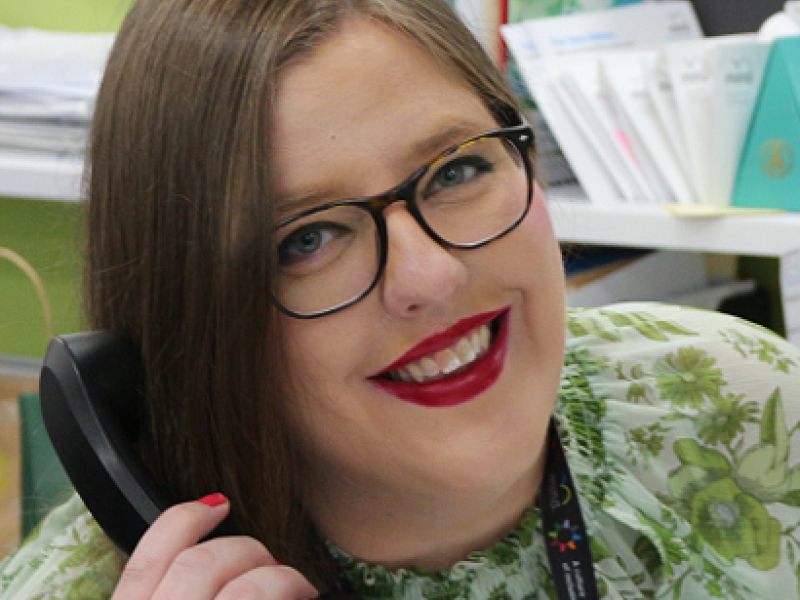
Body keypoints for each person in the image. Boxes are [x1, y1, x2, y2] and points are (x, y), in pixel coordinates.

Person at [2, 0, 800, 598]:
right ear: (191, 316)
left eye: (457, 171)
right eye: (304, 240)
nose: (432, 277)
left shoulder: (742, 398)